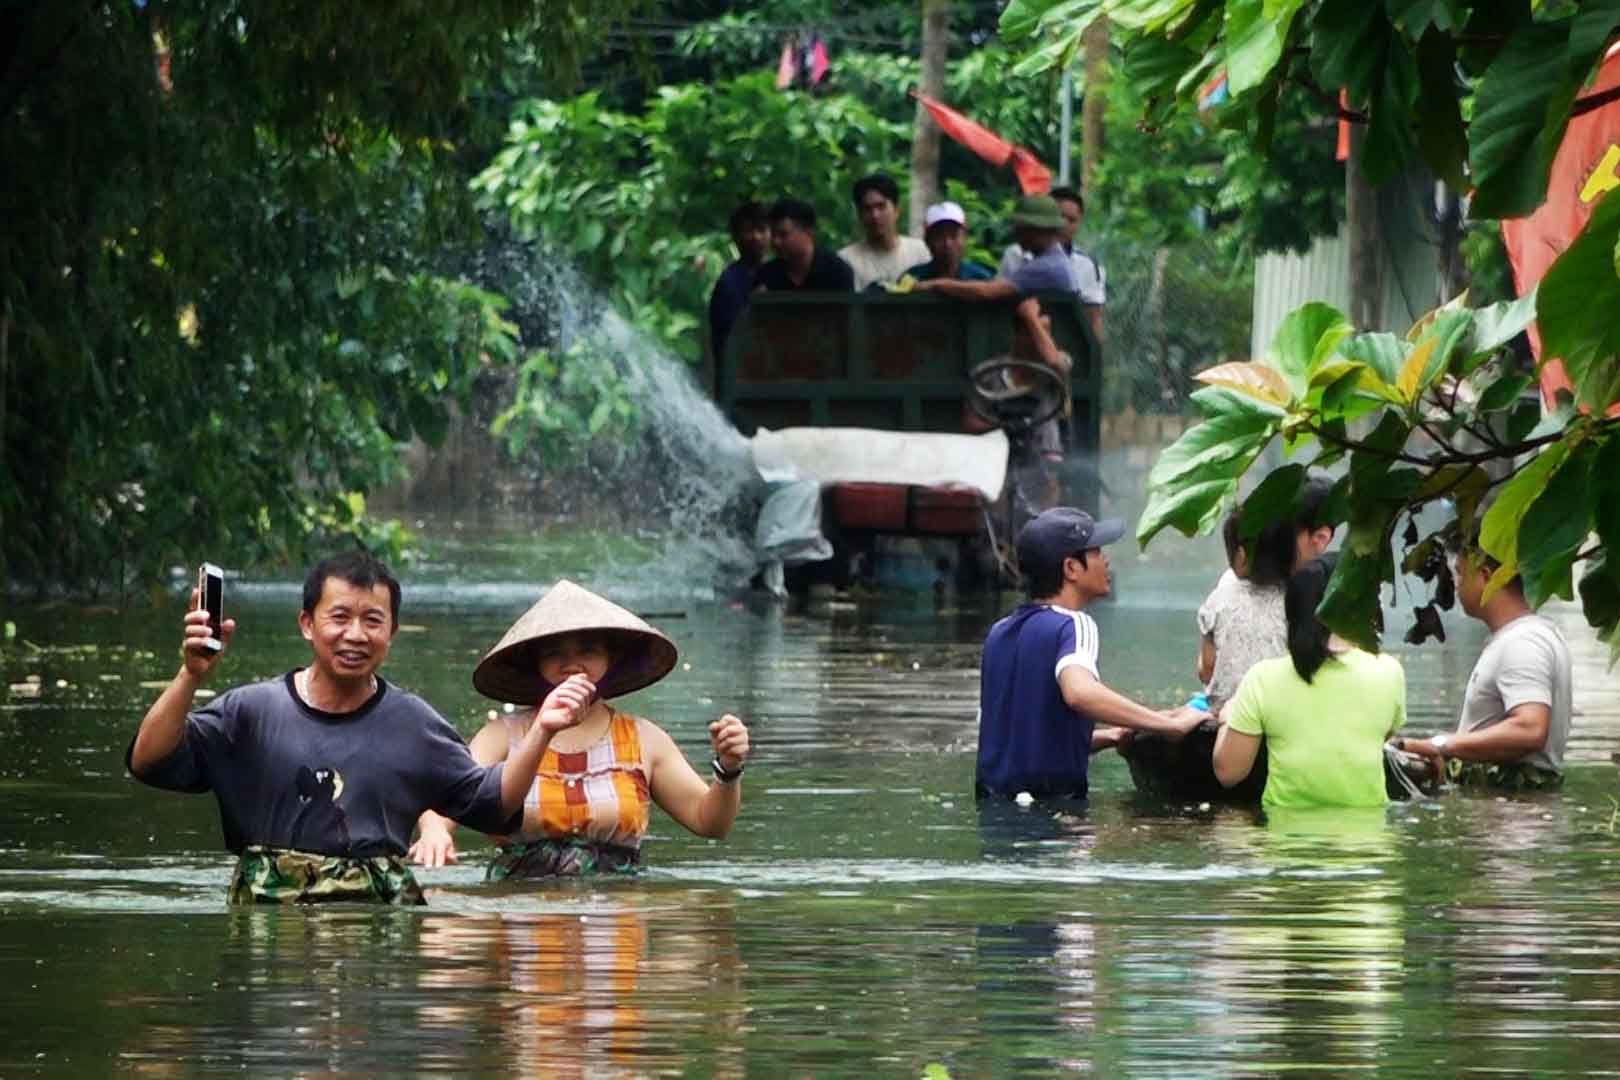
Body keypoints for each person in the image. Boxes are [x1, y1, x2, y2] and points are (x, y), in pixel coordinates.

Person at [126, 552, 588, 905]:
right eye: (340, 617)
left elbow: (495, 803)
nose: (356, 635)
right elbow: (149, 761)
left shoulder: (414, 725)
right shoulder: (252, 711)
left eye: (373, 621)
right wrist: (192, 675)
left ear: (392, 633)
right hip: (268, 925)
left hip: (374, 926)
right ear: (307, 624)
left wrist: (542, 731)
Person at [411, 579, 751, 879]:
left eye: (588, 650)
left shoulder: (644, 738)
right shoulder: (503, 735)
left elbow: (710, 823)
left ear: (610, 660)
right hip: (521, 909)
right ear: (536, 664)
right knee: (441, 936)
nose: (571, 664)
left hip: (618, 912)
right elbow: (446, 797)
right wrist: (434, 833)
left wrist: (729, 768)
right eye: (554, 653)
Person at [976, 508, 1206, 802]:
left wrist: (1108, 737)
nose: (1106, 560)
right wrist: (1169, 726)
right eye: (1096, 551)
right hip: (1059, 813)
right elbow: (1079, 693)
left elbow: (1017, 740)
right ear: (1071, 568)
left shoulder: (998, 633)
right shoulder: (1073, 625)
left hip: (995, 813)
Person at [1213, 554, 1407, 809]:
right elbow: (1379, 735)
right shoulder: (1388, 672)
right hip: (1369, 845)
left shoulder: (1263, 680)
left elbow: (1229, 773)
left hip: (1286, 842)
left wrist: (1229, 716)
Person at [1398, 538, 1573, 791]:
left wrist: (1440, 745)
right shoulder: (1521, 636)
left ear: (1486, 575)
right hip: (1503, 808)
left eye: (1460, 574)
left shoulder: (1523, 642)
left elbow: (1530, 729)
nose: (1456, 586)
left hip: (1515, 815)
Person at [1195, 506, 1295, 715]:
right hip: (1281, 714)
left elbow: (1206, 670)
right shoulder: (1298, 598)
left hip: (1227, 715)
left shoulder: (1219, 599)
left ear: (1241, 555)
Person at [998, 185, 1106, 340]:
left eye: (1072, 220)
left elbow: (1094, 317)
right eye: (1061, 217)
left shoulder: (1087, 266)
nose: (1064, 225)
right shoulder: (1014, 254)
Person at [837, 172, 930, 290]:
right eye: (867, 209)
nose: (875, 215)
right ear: (859, 214)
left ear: (896, 210)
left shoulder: (920, 252)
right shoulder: (847, 260)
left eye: (881, 206)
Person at [709, 200, 771, 360]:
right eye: (749, 231)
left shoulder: (780, 273)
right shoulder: (729, 282)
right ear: (735, 236)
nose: (756, 237)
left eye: (761, 230)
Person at [753, 198, 856, 293]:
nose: (776, 241)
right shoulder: (766, 275)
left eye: (783, 235)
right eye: (773, 235)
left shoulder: (837, 272)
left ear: (808, 233)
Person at [903, 201, 995, 282]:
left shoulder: (982, 278)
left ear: (965, 237)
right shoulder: (913, 278)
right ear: (927, 241)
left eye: (954, 235)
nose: (947, 244)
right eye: (939, 236)